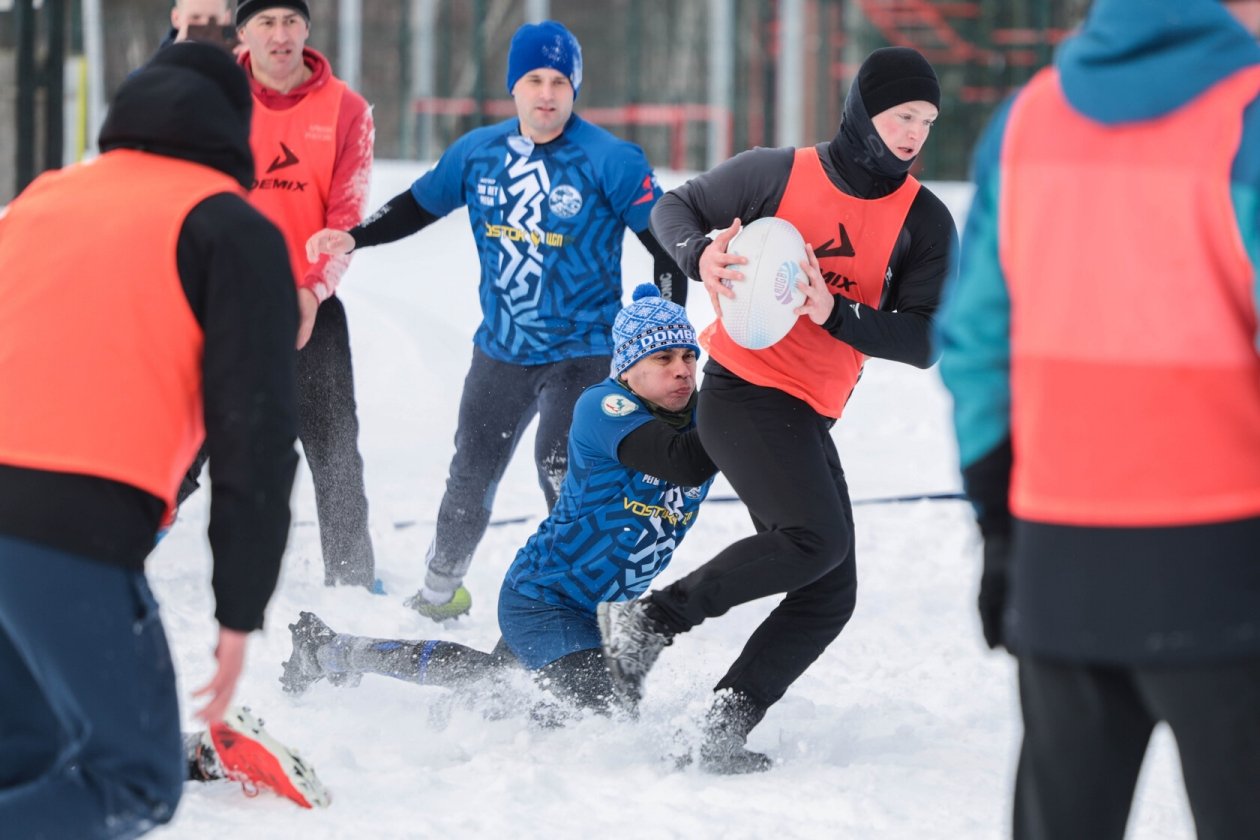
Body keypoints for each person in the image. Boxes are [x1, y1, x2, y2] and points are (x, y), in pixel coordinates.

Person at [936, 1, 1260, 837]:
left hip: (1060, 560)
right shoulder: (1247, 117)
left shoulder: (1030, 118)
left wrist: (1001, 523)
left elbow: (975, 344)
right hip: (1229, 562)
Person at [599, 47, 957, 774]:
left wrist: (840, 315)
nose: (914, 133)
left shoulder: (925, 220)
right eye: (901, 116)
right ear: (864, 112)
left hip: (806, 411)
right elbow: (675, 208)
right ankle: (650, 620)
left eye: (926, 120)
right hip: (743, 389)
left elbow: (925, 340)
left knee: (829, 594)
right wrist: (699, 255)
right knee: (813, 541)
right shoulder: (776, 171)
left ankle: (720, 725)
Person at [0, 42, 298, 838]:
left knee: (26, 758)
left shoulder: (41, 198)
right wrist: (240, 611)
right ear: (236, 127)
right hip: (66, 526)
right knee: (131, 779)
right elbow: (256, 433)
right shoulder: (229, 226)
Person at [306, 20, 687, 621]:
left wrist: (665, 350)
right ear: (514, 87)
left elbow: (667, 245)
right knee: (469, 474)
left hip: (584, 351)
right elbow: (417, 203)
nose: (546, 93)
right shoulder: (478, 153)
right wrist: (354, 237)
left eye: (560, 81)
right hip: (502, 350)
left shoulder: (610, 158)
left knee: (564, 473)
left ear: (574, 88)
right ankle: (440, 591)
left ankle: (585, 603)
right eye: (533, 79)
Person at [279, 285, 714, 719]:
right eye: (663, 358)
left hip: (595, 612)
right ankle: (345, 659)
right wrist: (731, 407)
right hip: (544, 597)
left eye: (689, 357)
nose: (682, 370)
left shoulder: (701, 418)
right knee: (604, 712)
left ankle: (332, 651)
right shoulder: (606, 406)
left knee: (495, 686)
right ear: (628, 366)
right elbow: (683, 461)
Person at [231, 0, 379, 589]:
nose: (280, 33)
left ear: (307, 28)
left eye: (290, 20)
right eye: (265, 21)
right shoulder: (212, 97)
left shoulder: (346, 109)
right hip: (224, 302)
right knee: (186, 438)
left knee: (334, 444)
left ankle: (352, 579)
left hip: (307, 302)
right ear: (243, 32)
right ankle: (121, 550)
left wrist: (312, 291)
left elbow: (345, 217)